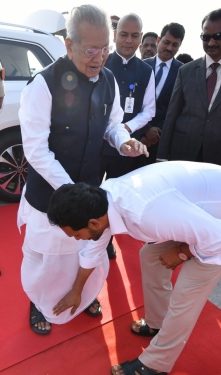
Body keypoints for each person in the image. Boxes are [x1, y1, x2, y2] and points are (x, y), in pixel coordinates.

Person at [17, 4, 148, 336]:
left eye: (105, 48)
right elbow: (36, 151)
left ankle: (86, 294)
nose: (99, 57)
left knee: (84, 250)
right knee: (46, 257)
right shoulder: (42, 85)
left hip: (90, 191)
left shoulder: (108, 80)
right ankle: (38, 300)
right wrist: (71, 190)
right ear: (69, 45)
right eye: (91, 49)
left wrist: (123, 142)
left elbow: (113, 125)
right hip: (50, 197)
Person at [47, 160, 221, 375]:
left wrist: (183, 252)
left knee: (184, 298)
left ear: (93, 223)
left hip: (215, 231)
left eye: (76, 235)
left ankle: (155, 365)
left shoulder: (145, 214)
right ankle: (157, 323)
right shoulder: (102, 202)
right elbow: (92, 251)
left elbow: (216, 237)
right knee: (150, 256)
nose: (76, 239)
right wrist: (76, 291)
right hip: (197, 213)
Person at [101, 13, 155, 259]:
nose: (128, 40)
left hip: (127, 145)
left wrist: (125, 130)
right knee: (92, 192)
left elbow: (149, 111)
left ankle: (109, 238)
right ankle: (94, 239)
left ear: (141, 38)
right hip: (96, 143)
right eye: (123, 34)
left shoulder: (145, 71)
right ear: (115, 35)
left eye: (134, 36)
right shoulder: (101, 62)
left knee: (116, 195)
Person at [157, 8, 221, 164]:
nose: (211, 42)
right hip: (182, 156)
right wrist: (161, 156)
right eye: (206, 37)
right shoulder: (185, 71)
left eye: (218, 36)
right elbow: (171, 116)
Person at [142, 23, 185, 164]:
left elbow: (179, 110)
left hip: (161, 143)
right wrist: (146, 130)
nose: (169, 48)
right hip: (136, 137)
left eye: (175, 45)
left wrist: (156, 132)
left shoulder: (184, 72)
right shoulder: (142, 66)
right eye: (166, 42)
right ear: (158, 40)